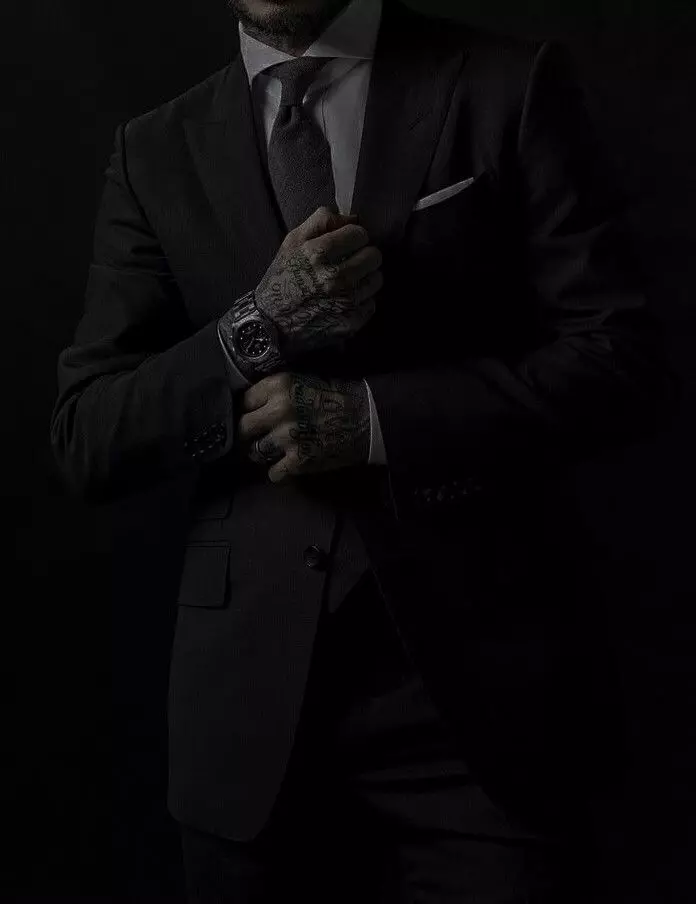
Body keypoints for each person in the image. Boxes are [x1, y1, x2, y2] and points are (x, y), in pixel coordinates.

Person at [50, 0, 679, 900]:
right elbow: (88, 434)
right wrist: (254, 327)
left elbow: (622, 363)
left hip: (482, 709)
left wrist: (377, 421)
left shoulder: (507, 84)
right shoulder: (153, 150)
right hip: (246, 720)